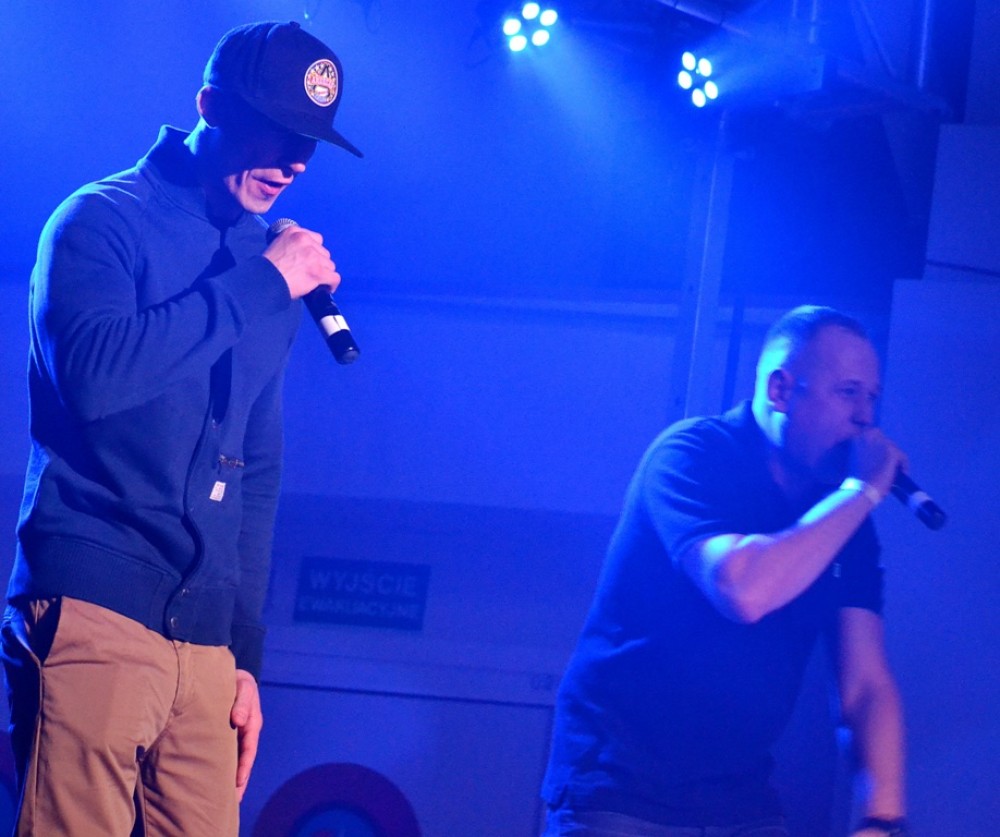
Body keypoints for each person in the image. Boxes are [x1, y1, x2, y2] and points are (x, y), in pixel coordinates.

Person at [1, 20, 361, 836]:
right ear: (210, 107)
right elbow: (94, 377)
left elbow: (256, 468)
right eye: (278, 133)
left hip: (204, 646)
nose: (295, 163)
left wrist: (243, 656)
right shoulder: (100, 220)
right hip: (94, 605)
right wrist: (263, 282)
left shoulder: (268, 264)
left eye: (310, 145)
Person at [541, 306, 910, 837]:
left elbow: (865, 684)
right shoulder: (692, 455)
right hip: (622, 786)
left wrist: (884, 818)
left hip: (738, 797)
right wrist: (863, 491)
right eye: (848, 392)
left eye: (872, 397)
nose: (864, 418)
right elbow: (743, 589)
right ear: (780, 390)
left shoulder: (843, 518)